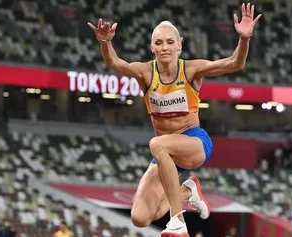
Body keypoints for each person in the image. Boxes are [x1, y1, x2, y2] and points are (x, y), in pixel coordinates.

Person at [88, 3, 261, 236]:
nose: (164, 47)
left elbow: (234, 63)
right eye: (159, 43)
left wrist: (244, 39)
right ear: (152, 47)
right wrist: (105, 43)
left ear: (179, 46)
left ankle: (177, 221)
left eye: (170, 42)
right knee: (140, 218)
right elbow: (115, 63)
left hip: (194, 143)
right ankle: (187, 192)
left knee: (157, 143)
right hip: (165, 153)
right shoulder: (146, 73)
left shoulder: (190, 70)